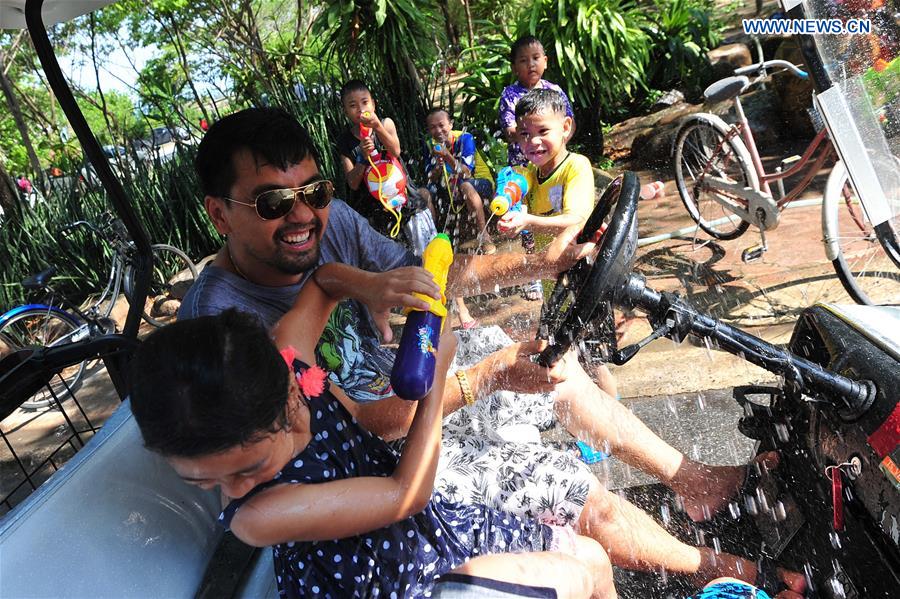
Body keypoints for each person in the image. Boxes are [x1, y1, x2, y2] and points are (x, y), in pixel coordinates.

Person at [180, 106, 805, 592]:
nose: (303, 215)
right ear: (219, 214)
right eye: (273, 202)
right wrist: (482, 377)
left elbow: (426, 278)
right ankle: (719, 568)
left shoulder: (329, 223)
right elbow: (365, 425)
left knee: (543, 356)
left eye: (313, 191)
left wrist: (543, 261)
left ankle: (695, 483)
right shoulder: (230, 332)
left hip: (409, 384)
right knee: (562, 478)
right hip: (373, 453)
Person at [129, 301, 617, 598]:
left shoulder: (293, 369)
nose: (231, 491)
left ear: (289, 393)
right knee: (571, 575)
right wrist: (435, 379)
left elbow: (322, 283)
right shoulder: (254, 516)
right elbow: (407, 494)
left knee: (593, 559)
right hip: (396, 582)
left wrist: (369, 285)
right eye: (202, 481)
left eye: (245, 468)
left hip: (430, 541)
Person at [498, 35, 575, 300]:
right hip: (524, 170)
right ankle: (534, 273)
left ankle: (562, 260)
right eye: (523, 60)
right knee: (526, 217)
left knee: (558, 211)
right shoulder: (510, 95)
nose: (530, 64)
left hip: (553, 167)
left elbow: (569, 121)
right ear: (514, 67)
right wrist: (522, 135)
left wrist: (559, 145)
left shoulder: (554, 91)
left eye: (535, 58)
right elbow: (509, 129)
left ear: (545, 61)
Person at [335, 79, 436, 237]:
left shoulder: (385, 124)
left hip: (404, 200)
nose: (361, 109)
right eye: (353, 105)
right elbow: (353, 183)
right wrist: (363, 158)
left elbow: (395, 151)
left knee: (424, 252)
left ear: (373, 105)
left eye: (365, 102)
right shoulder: (344, 141)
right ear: (345, 111)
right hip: (375, 212)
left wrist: (377, 127)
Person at [424, 107, 494, 329]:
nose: (438, 130)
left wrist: (447, 157)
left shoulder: (465, 139)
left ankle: (484, 234)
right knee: (425, 194)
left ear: (450, 124)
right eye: (433, 127)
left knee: (464, 185)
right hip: (450, 192)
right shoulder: (430, 147)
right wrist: (436, 164)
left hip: (477, 185)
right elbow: (430, 178)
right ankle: (434, 236)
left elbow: (466, 172)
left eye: (441, 125)